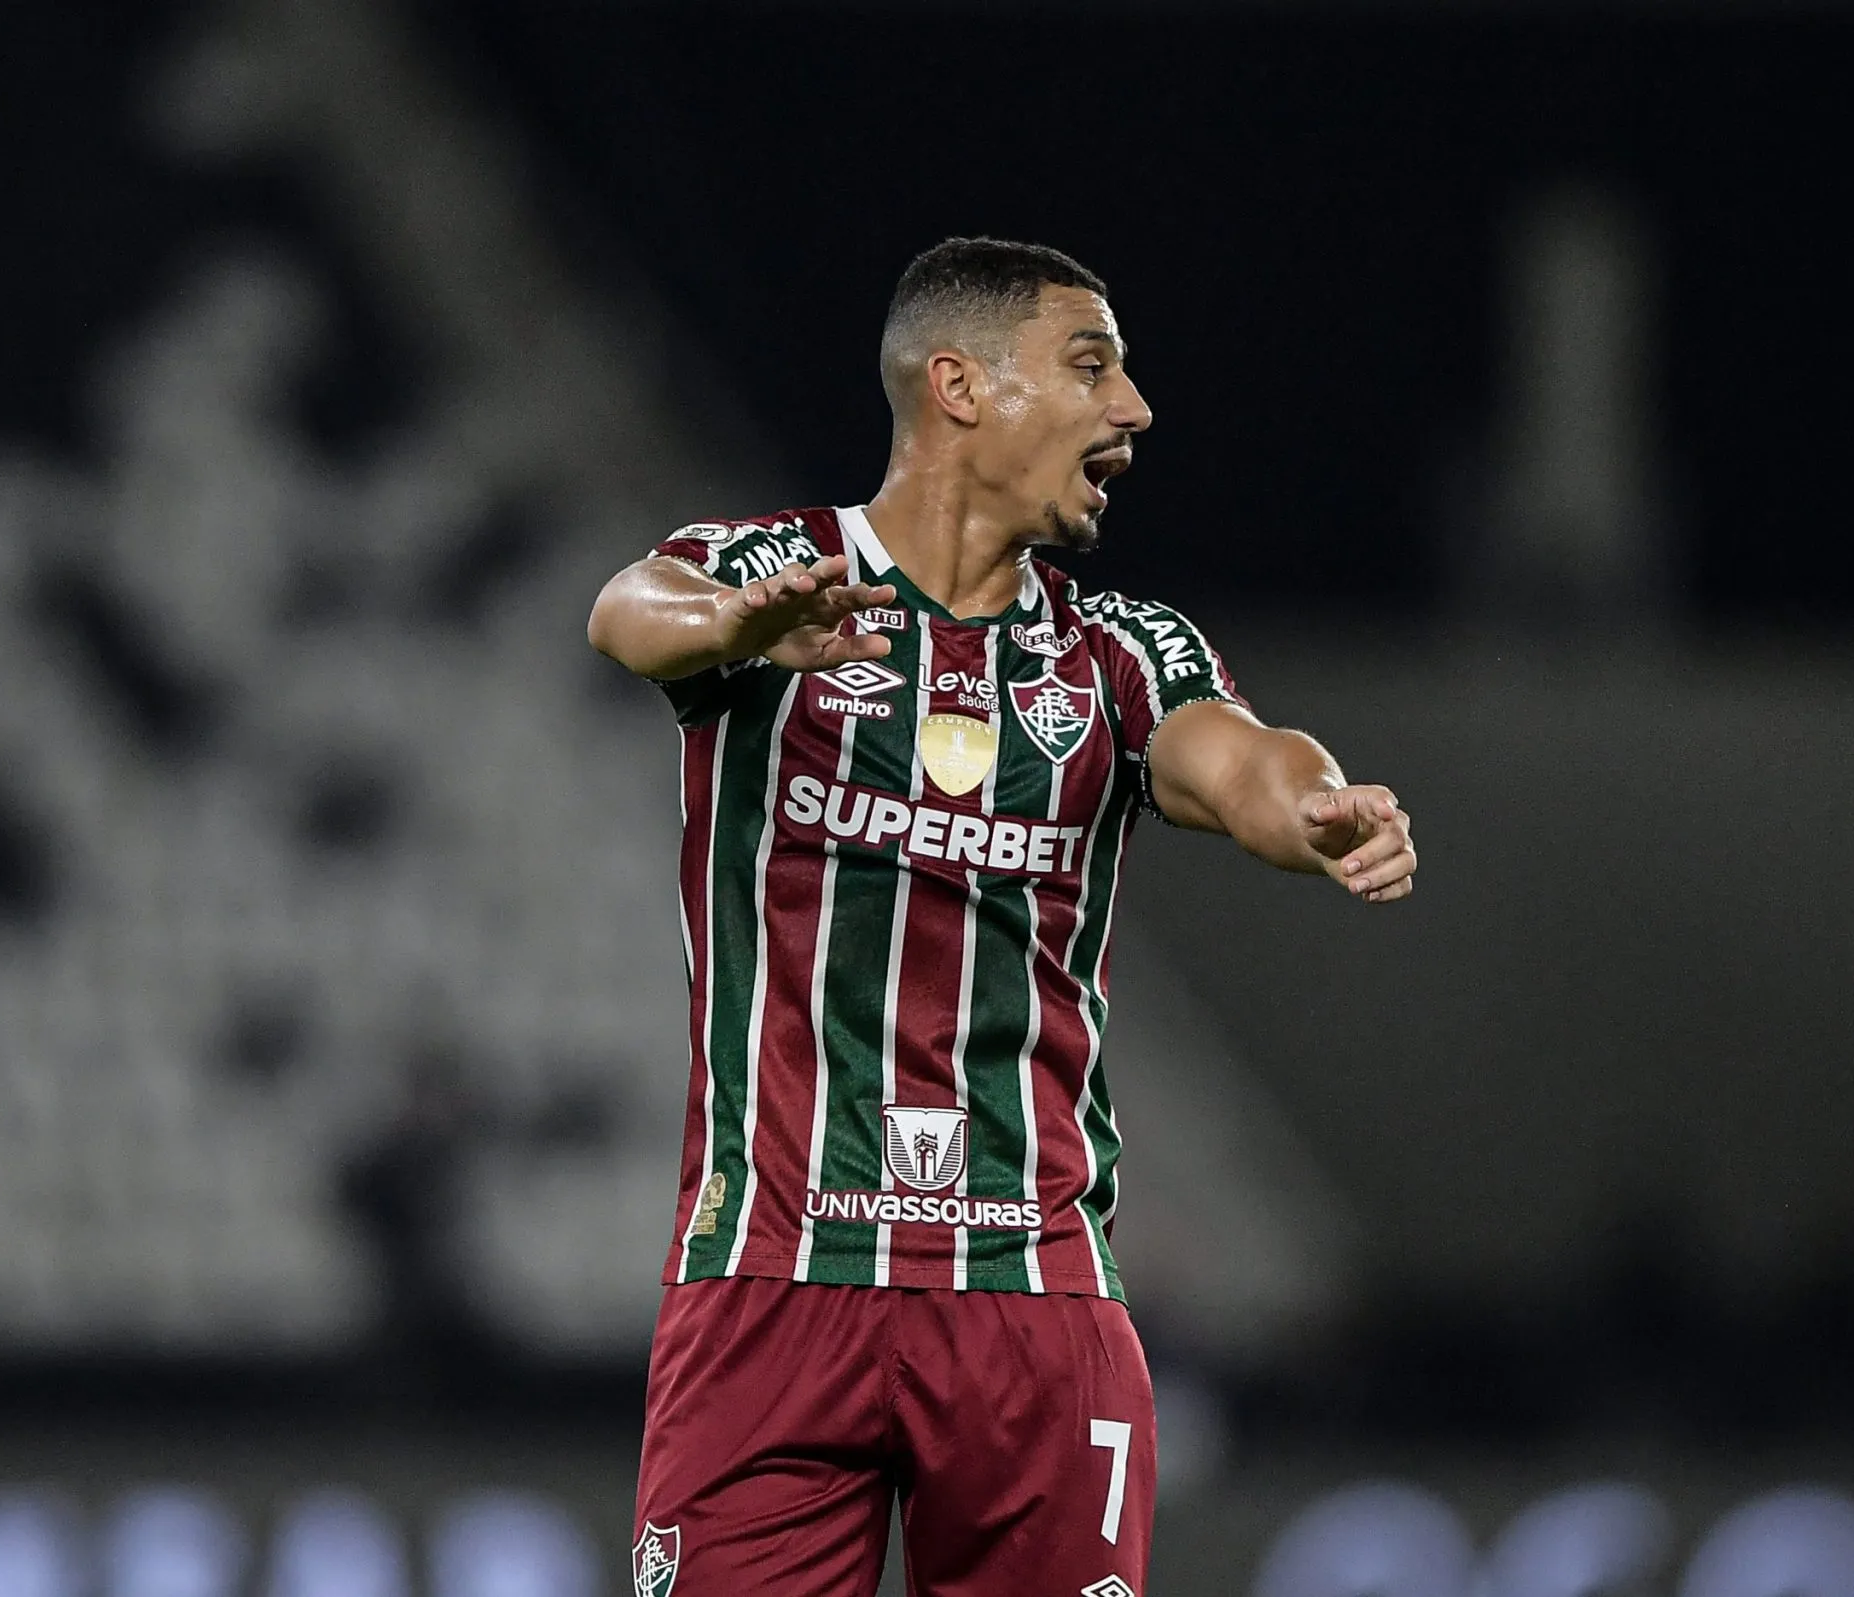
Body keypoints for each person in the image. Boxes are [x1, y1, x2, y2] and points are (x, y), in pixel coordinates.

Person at [587, 237, 1418, 1597]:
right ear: (959, 386)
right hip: (771, 1278)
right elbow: (631, 611)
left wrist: (1317, 809)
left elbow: (1240, 759)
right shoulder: (778, 575)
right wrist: (735, 626)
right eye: (1092, 367)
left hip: (1031, 1294)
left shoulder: (1118, 653)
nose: (1133, 407)